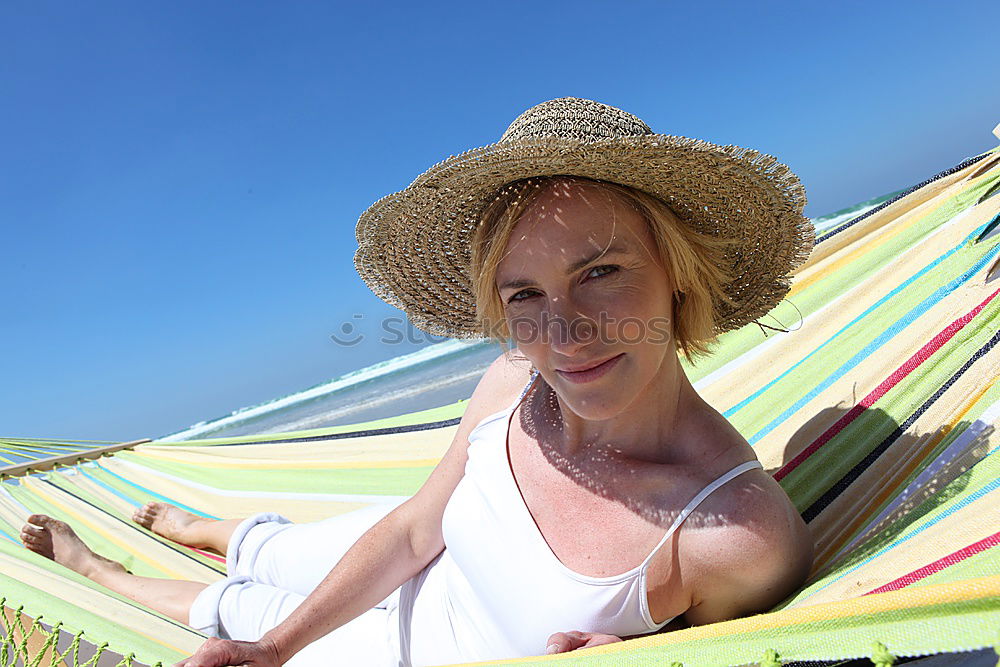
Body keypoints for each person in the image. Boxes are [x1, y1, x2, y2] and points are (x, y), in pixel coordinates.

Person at [21, 97, 815, 667]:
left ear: (678, 275)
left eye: (601, 270)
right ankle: (212, 528)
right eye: (523, 294)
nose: (560, 333)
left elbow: (720, 647)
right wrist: (274, 653)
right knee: (282, 552)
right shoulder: (513, 382)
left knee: (239, 610)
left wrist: (639, 654)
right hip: (419, 550)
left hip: (398, 646)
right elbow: (411, 531)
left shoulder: (733, 534)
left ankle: (100, 569)